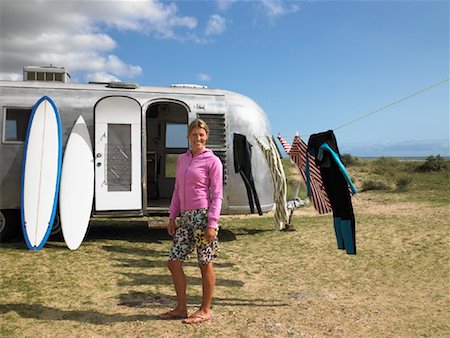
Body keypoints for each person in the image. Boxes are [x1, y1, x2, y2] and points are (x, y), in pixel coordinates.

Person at [158, 118, 223, 324]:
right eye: (194, 134)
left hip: (203, 217)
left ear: (206, 137)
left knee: (205, 263)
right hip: (185, 218)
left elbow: (218, 195)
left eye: (201, 135)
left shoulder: (212, 161)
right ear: (188, 136)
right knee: (173, 262)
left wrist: (212, 223)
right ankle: (181, 308)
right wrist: (172, 216)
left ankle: (205, 309)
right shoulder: (182, 160)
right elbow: (177, 190)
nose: (198, 138)